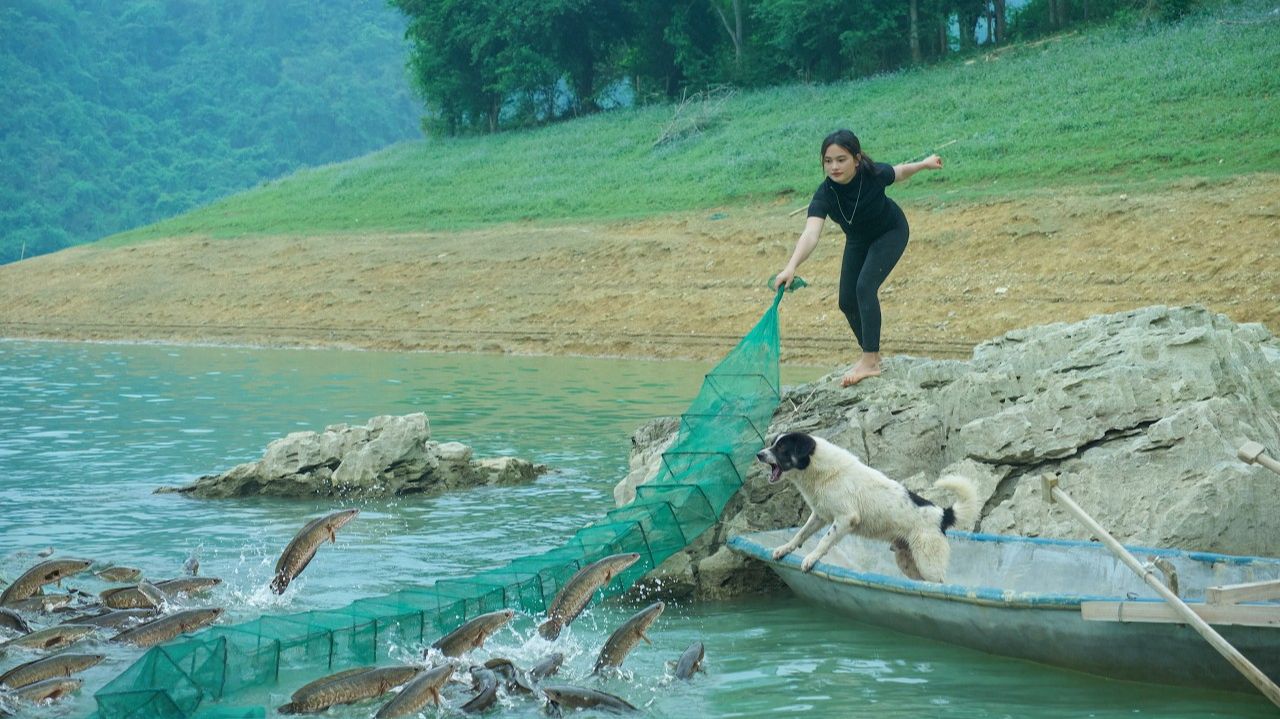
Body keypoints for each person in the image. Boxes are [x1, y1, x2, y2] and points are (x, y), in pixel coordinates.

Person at [772, 129, 943, 387]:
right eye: (828, 161)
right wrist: (790, 266)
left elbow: (900, 171)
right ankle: (871, 354)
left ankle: (870, 361)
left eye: (841, 159)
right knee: (846, 301)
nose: (834, 166)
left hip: (891, 231)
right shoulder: (825, 195)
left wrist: (925, 164)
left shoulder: (873, 174)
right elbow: (811, 234)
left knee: (865, 287)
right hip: (858, 240)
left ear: (856, 158)